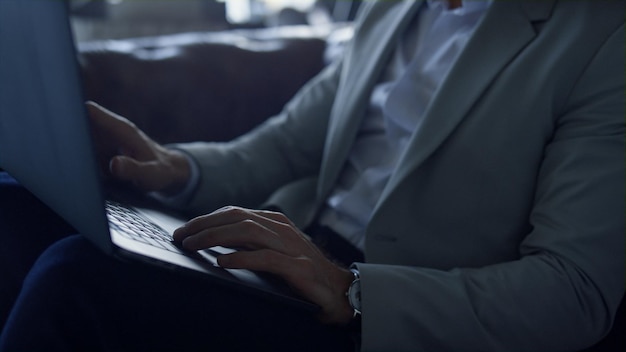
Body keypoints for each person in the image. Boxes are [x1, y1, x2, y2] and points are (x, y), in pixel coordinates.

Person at [1, 0, 624, 350]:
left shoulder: (602, 38)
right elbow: (288, 145)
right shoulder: (396, 10)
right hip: (293, 251)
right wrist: (173, 169)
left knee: (72, 277)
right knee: (21, 208)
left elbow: (574, 293)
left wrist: (352, 291)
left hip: (374, 309)